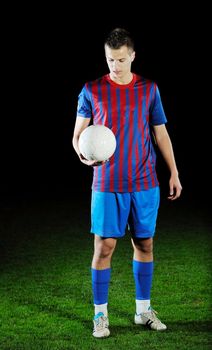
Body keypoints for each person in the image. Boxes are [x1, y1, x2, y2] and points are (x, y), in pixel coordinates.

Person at [72, 27, 182, 338]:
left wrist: (173, 172)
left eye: (121, 60)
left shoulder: (149, 89)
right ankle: (100, 316)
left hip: (145, 181)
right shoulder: (91, 90)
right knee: (104, 247)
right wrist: (83, 156)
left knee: (145, 243)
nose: (115, 66)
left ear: (132, 56)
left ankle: (142, 310)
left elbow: (160, 133)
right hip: (107, 182)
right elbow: (78, 136)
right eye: (110, 60)